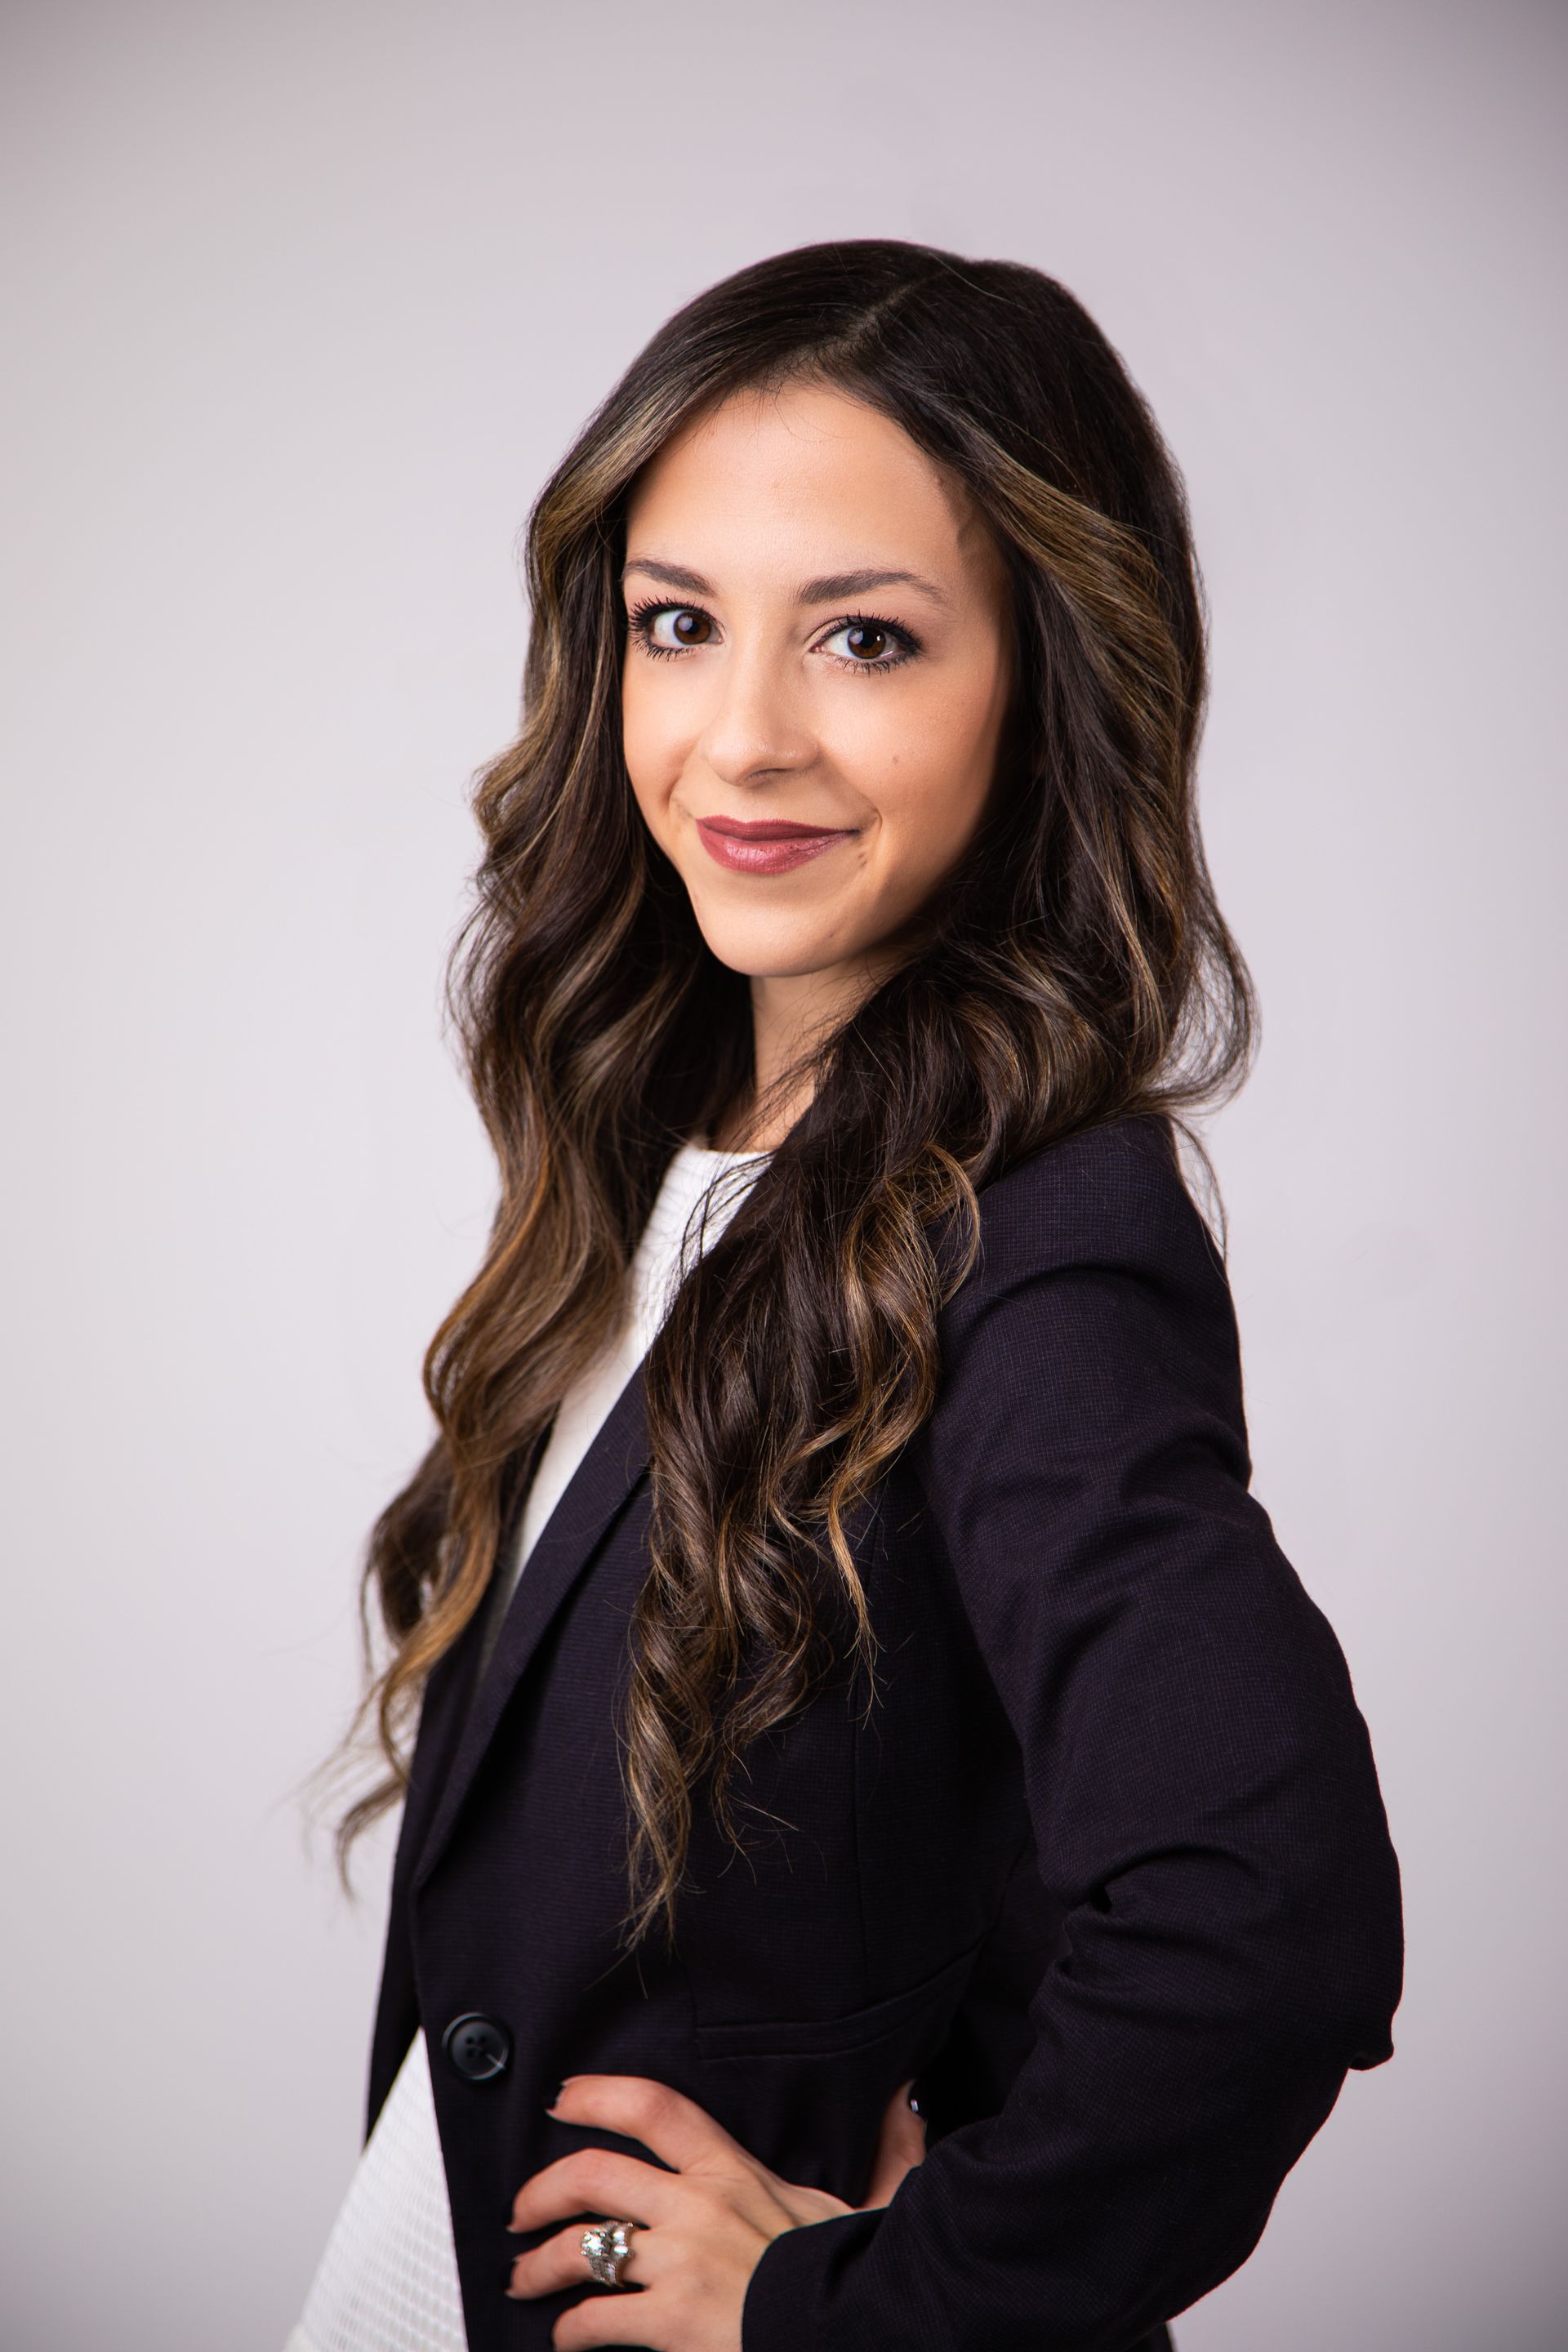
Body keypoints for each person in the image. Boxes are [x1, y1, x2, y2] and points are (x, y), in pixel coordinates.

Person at [289, 239, 1403, 2352]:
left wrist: (851, 2309)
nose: (743, 737)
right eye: (678, 625)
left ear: (1046, 680)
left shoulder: (1041, 1236)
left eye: (868, 640)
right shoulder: (672, 1162)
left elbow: (1270, 1920)